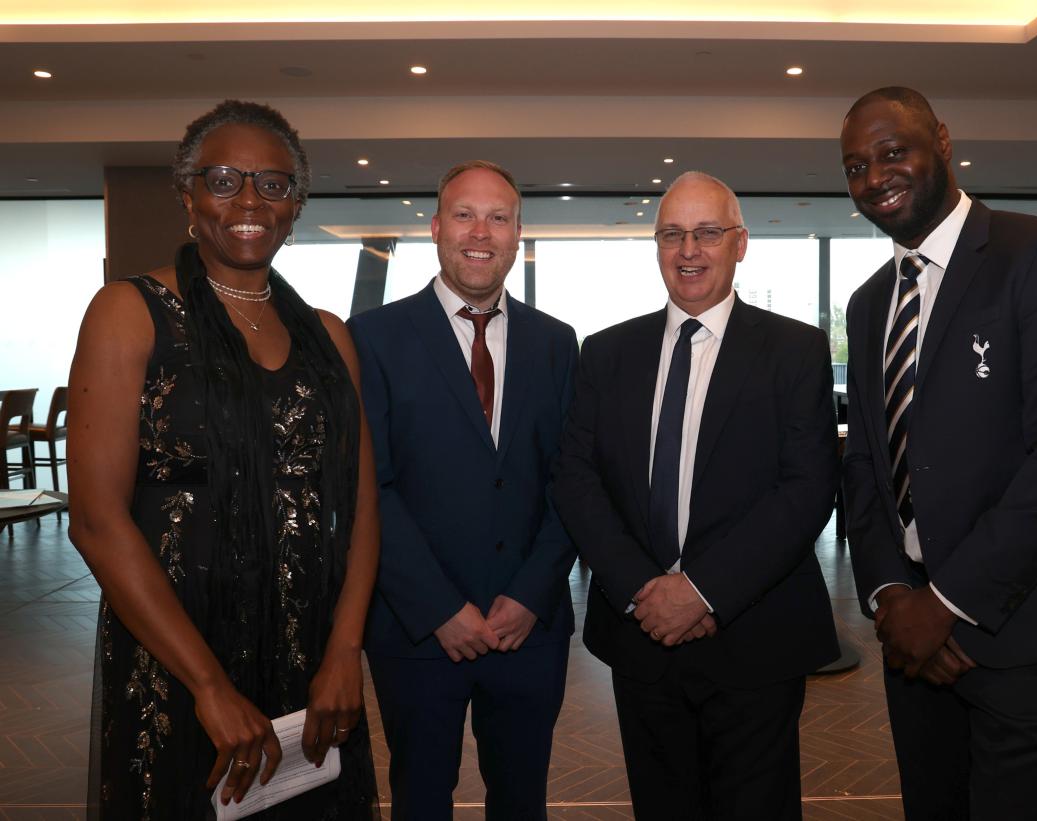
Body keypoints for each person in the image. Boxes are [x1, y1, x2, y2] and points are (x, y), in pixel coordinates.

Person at [67, 99, 380, 820]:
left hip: (312, 665)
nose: (248, 201)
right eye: (224, 179)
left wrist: (346, 650)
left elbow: (360, 504)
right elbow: (95, 519)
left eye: (273, 184)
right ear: (188, 193)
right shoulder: (129, 311)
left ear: (296, 205)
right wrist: (208, 684)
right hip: (176, 659)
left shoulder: (330, 337)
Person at [839, 86, 1037, 820]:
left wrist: (946, 603)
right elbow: (869, 469)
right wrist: (893, 599)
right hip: (912, 643)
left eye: (892, 152)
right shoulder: (869, 302)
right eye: (855, 166)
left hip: (1026, 633)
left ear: (942, 139)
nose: (874, 176)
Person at [553, 171, 839, 819]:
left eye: (708, 232)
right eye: (673, 234)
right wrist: (643, 591)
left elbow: (807, 487)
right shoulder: (605, 353)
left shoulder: (794, 350)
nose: (690, 250)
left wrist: (702, 590)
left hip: (756, 637)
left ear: (740, 244)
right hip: (640, 638)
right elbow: (575, 479)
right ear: (656, 246)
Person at [347, 160, 578, 820]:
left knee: (521, 799)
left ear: (518, 233)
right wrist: (440, 607)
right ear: (436, 227)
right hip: (416, 630)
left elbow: (573, 483)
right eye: (465, 214)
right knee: (420, 798)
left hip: (528, 630)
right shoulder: (374, 338)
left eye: (499, 217)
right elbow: (371, 485)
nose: (482, 232)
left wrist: (530, 597)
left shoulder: (556, 343)